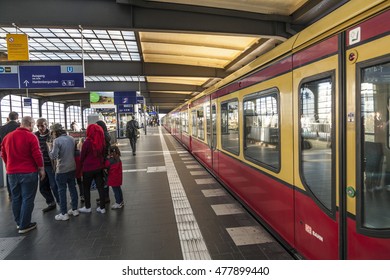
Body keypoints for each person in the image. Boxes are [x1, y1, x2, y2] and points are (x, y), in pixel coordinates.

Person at [1, 116, 45, 234]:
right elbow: (37, 154)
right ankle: (25, 225)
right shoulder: (31, 136)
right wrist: (41, 169)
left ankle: (19, 222)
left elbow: (3, 154)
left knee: (16, 198)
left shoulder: (7, 137)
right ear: (30, 124)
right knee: (27, 198)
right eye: (34, 124)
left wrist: (8, 165)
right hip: (28, 172)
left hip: (11, 173)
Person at [48, 123, 78, 221]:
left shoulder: (57, 141)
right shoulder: (71, 138)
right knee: (73, 189)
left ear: (55, 131)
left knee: (62, 191)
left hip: (61, 169)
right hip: (72, 167)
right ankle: (74, 209)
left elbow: (54, 156)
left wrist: (49, 148)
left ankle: (64, 213)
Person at [78, 124, 106, 214]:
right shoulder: (101, 141)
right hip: (99, 168)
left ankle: (88, 207)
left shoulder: (87, 142)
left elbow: (82, 157)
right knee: (100, 188)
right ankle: (102, 208)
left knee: (86, 188)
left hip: (88, 169)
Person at [35, 118, 59, 213]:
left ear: (47, 125)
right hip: (41, 166)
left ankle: (61, 202)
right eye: (38, 126)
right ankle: (51, 202)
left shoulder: (52, 136)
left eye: (42, 125)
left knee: (54, 185)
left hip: (50, 165)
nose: (40, 127)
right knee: (42, 187)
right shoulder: (35, 136)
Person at [0, 111, 20, 199]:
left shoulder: (2, 128)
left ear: (8, 118)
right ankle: (19, 191)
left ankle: (11, 193)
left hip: (6, 152)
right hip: (18, 152)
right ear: (17, 117)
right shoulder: (19, 127)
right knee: (20, 170)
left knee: (9, 171)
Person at [96, 120, 111, 204]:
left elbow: (102, 149)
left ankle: (105, 197)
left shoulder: (103, 135)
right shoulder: (106, 134)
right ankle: (104, 196)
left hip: (103, 160)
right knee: (104, 179)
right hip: (105, 159)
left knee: (103, 180)